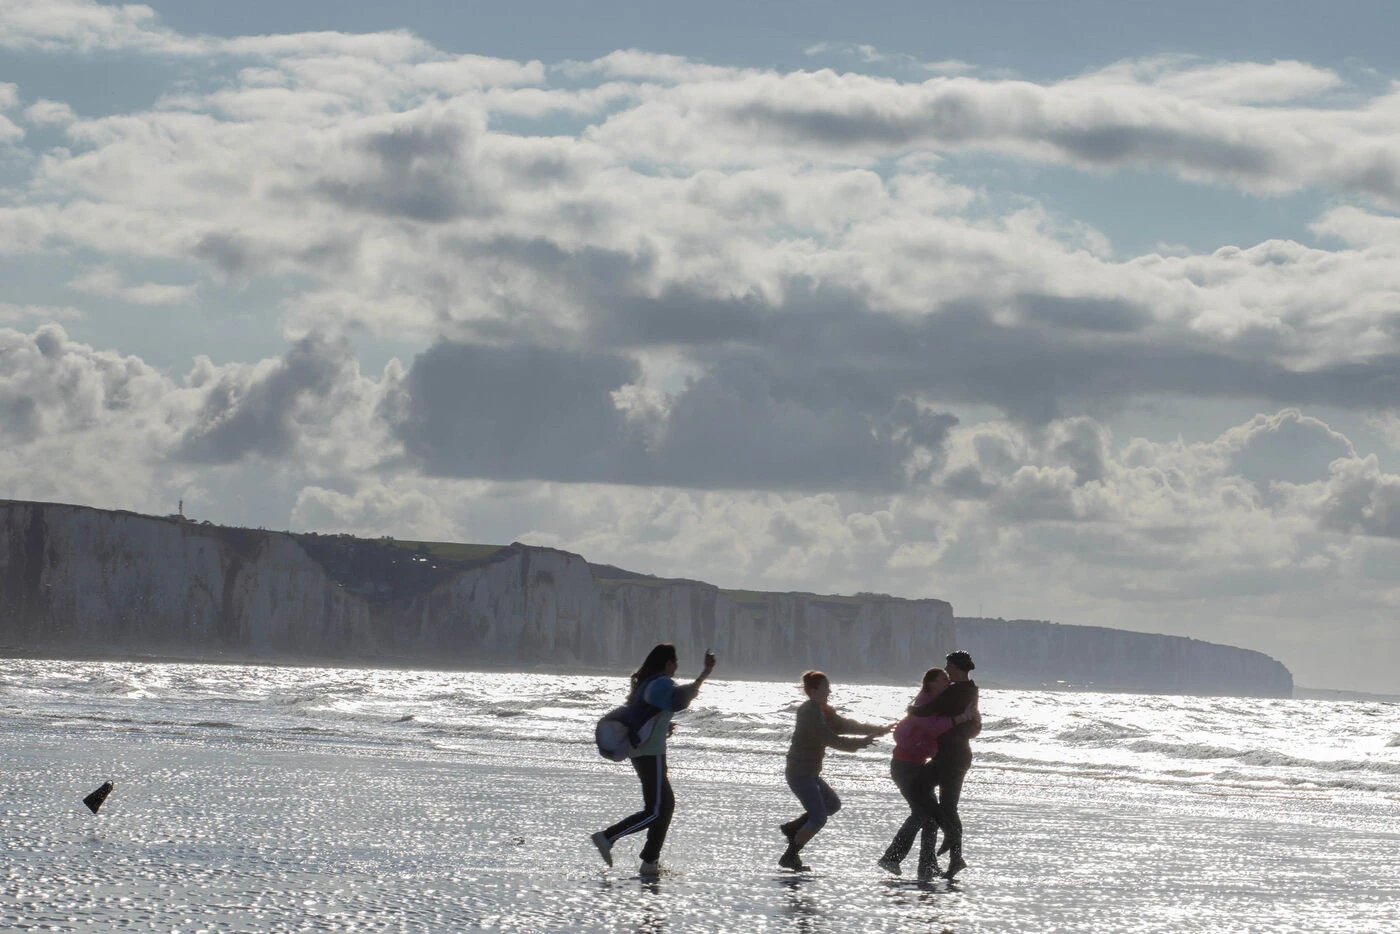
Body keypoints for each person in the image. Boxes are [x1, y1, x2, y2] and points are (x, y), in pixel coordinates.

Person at [591, 643, 716, 876]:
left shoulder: (649, 684)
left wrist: (663, 723)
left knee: (665, 806)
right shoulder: (659, 683)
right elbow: (679, 700)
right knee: (656, 810)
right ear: (667, 663)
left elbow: (646, 712)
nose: (677, 667)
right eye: (675, 662)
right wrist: (703, 675)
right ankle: (608, 837)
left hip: (647, 753)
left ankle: (650, 861)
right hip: (649, 754)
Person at [778, 670, 891, 871]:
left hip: (809, 773)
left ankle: (793, 828)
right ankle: (790, 856)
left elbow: (844, 725)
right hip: (800, 773)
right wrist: (861, 743)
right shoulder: (809, 711)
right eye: (825, 687)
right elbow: (829, 738)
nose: (829, 690)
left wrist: (877, 729)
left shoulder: (822, 709)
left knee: (832, 804)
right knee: (819, 817)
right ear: (813, 690)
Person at [877, 668, 978, 880]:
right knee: (922, 813)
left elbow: (956, 728)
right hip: (904, 766)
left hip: (917, 765)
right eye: (943, 678)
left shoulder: (938, 702)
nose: (948, 681)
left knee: (930, 816)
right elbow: (931, 728)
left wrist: (971, 718)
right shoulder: (925, 702)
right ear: (931, 682)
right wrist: (961, 718)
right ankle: (892, 857)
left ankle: (927, 866)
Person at [905, 650, 980, 879]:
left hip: (952, 757)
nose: (946, 670)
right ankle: (956, 858)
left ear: (956, 667)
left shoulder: (958, 692)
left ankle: (949, 834)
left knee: (917, 787)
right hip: (955, 755)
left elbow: (930, 709)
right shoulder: (970, 690)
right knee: (949, 807)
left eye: (948, 666)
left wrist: (911, 710)